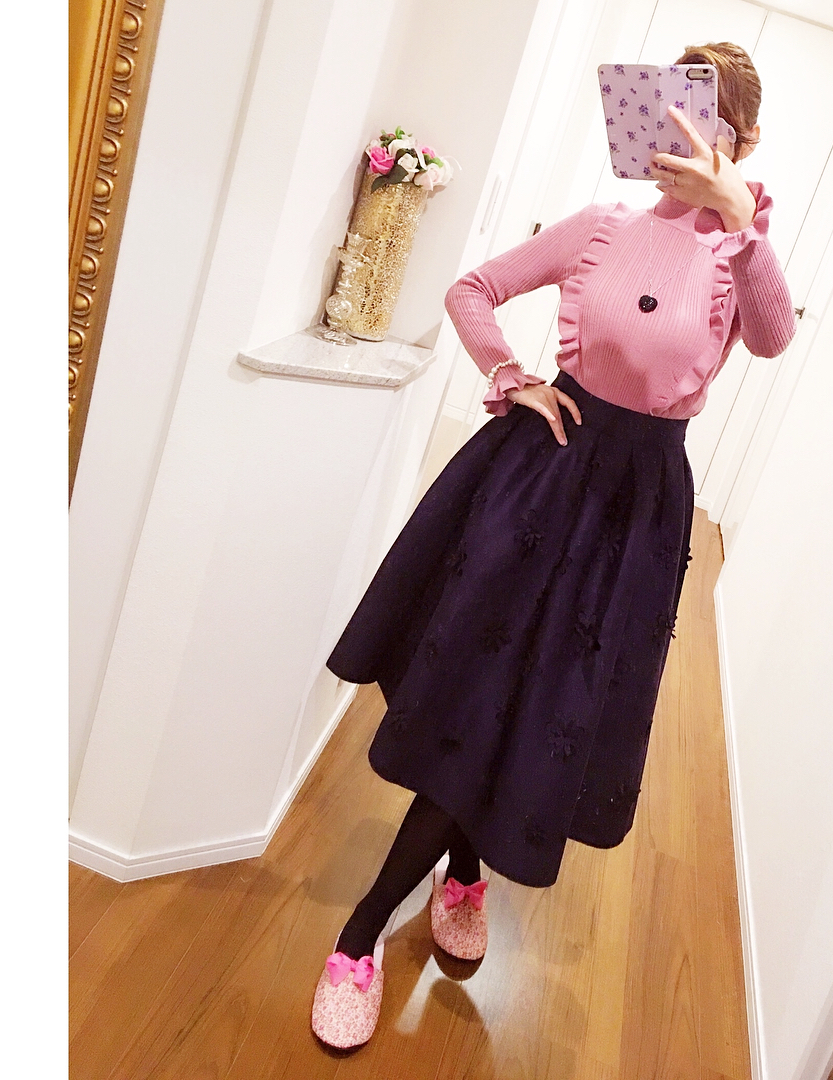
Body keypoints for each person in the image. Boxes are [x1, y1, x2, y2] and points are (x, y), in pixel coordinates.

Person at [310, 41, 795, 1050]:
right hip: (544, 474)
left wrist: (742, 223)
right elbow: (472, 290)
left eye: (703, 117)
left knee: (548, 702)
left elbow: (773, 336)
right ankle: (361, 933)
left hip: (639, 506)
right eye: (662, 107)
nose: (676, 134)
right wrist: (510, 376)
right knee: (483, 690)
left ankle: (465, 871)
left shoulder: (740, 254)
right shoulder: (602, 226)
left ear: (741, 139)